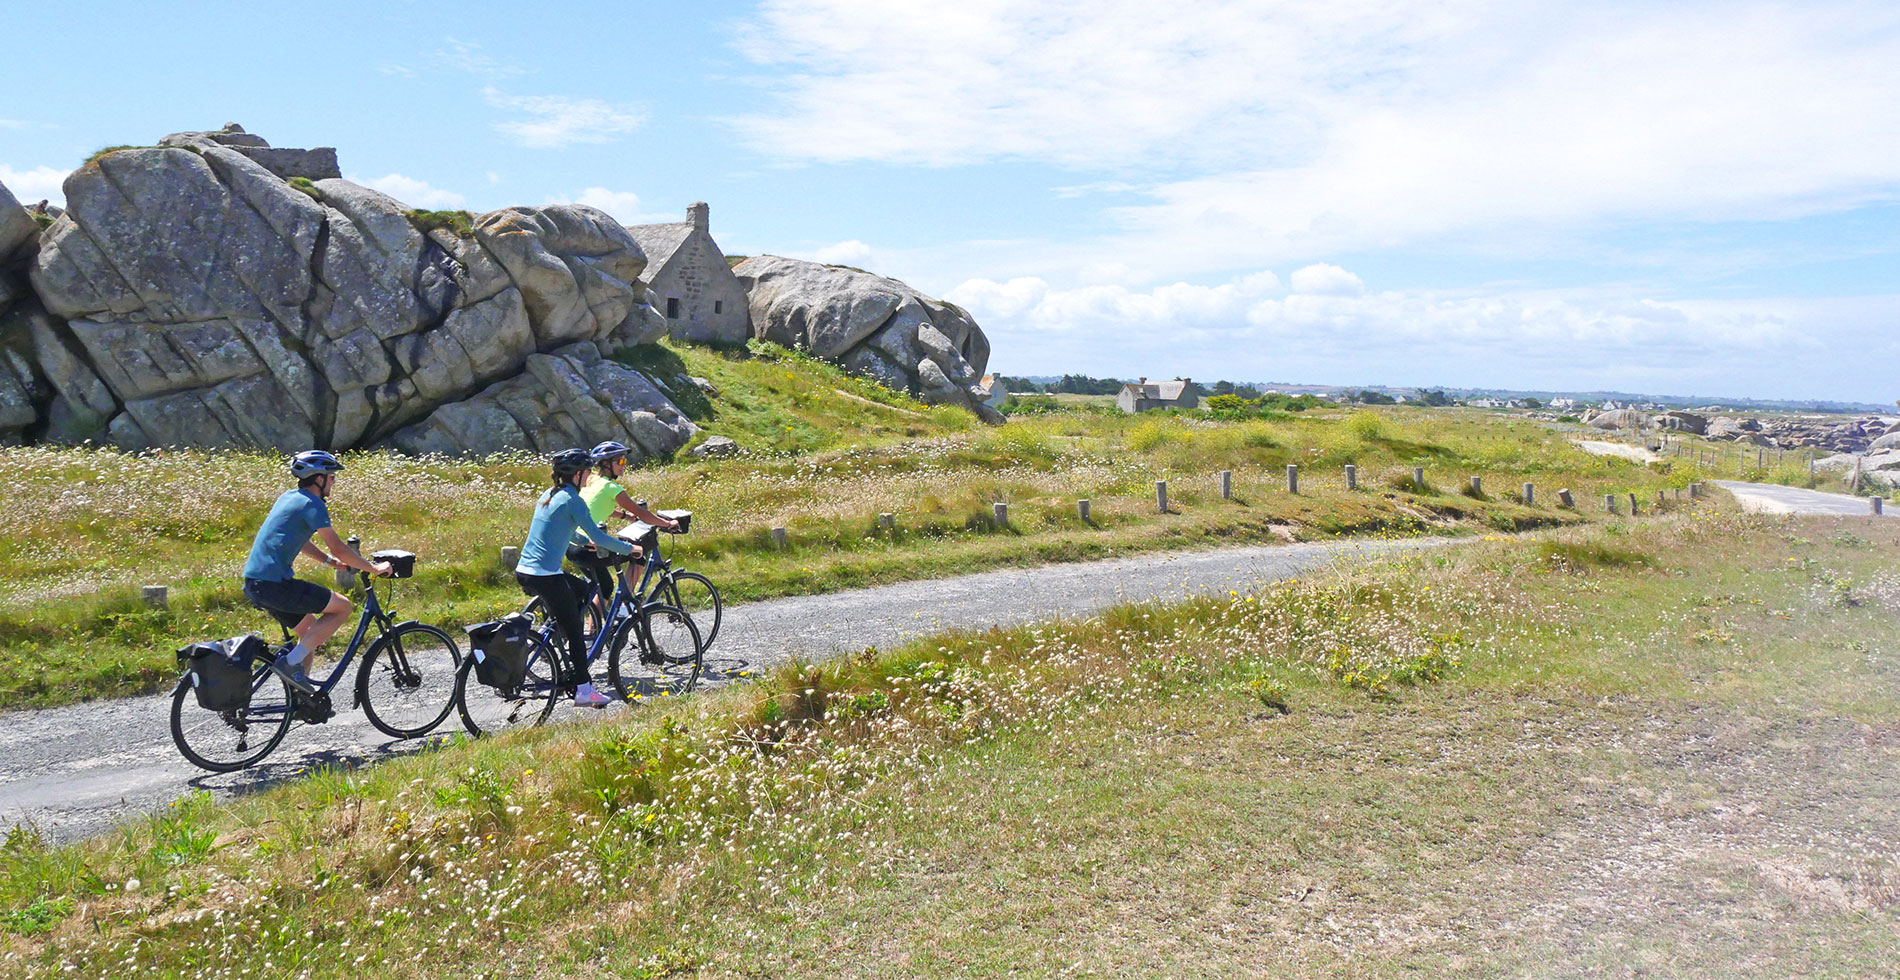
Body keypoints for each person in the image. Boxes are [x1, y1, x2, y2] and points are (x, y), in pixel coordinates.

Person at [241, 451, 391, 694]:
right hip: (275, 585)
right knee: (343, 607)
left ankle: (302, 698)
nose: (333, 482)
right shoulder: (314, 504)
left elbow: (298, 540)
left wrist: (329, 562)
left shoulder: (289, 498)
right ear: (318, 479)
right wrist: (374, 568)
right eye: (331, 477)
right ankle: (289, 665)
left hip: (255, 584)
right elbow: (339, 546)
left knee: (309, 634)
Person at [517, 448, 634, 708]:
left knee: (582, 590)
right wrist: (630, 549)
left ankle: (554, 631)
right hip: (546, 576)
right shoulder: (573, 499)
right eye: (588, 471)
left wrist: (584, 541)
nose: (590, 475)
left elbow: (564, 531)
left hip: (526, 570)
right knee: (574, 630)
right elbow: (602, 537)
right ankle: (583, 689)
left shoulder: (549, 495)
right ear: (578, 474)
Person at [569, 441, 680, 612]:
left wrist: (625, 516)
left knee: (605, 587)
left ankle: (594, 634)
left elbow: (596, 506)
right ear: (606, 464)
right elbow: (642, 513)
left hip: (572, 545)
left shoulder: (591, 481)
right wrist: (667, 523)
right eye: (620, 461)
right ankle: (623, 609)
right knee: (638, 556)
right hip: (590, 547)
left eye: (624, 461)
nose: (624, 465)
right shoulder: (612, 487)